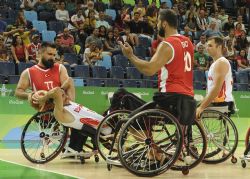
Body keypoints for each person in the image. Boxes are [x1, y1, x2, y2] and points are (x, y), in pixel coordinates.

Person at [119, 9, 196, 162]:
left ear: (165, 23)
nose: (157, 25)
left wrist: (131, 56)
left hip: (170, 98)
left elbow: (149, 69)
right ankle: (154, 152)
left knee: (130, 116)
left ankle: (154, 151)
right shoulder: (188, 42)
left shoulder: (167, 44)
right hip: (187, 98)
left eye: (158, 22)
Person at [14, 42, 86, 158]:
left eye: (54, 54)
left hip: (63, 108)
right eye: (49, 54)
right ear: (40, 53)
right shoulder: (29, 72)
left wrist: (59, 92)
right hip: (46, 113)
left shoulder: (59, 68)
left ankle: (75, 148)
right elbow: (18, 92)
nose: (52, 57)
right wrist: (30, 95)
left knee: (84, 119)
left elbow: (67, 85)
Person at [196, 36, 234, 118]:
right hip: (217, 100)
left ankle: (198, 130)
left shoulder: (221, 63)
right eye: (207, 45)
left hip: (221, 102)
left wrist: (202, 107)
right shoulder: (215, 63)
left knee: (189, 112)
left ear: (219, 47)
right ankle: (202, 131)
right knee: (189, 106)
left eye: (210, 46)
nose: (207, 48)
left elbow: (217, 88)